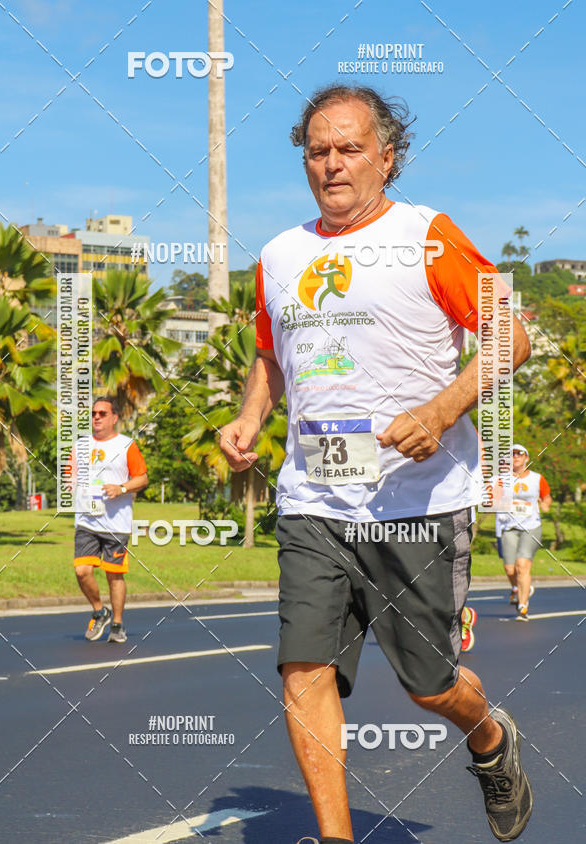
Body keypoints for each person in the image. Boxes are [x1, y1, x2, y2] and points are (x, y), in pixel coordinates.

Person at [220, 84, 533, 843]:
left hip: (418, 503)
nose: (332, 164)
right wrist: (249, 415)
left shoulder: (427, 235)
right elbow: (271, 354)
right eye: (317, 150)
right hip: (314, 503)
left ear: (386, 159)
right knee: (303, 669)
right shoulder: (279, 254)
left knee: (428, 686)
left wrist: (441, 410)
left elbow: (511, 334)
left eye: (349, 147)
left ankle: (489, 736)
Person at [73, 396, 148, 642]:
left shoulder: (126, 446)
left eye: (102, 413)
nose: (96, 417)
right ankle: (99, 611)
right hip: (87, 520)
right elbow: (70, 474)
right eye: (94, 413)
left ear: (114, 417)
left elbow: (143, 479)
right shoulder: (80, 445)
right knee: (82, 571)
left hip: (116, 523)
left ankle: (117, 624)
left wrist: (122, 488)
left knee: (114, 575)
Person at [496, 444, 551, 620]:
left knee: (522, 565)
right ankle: (517, 587)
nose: (516, 457)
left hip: (531, 527)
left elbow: (546, 496)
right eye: (512, 454)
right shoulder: (501, 479)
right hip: (509, 527)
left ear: (526, 458)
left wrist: (545, 504)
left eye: (519, 454)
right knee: (509, 568)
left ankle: (523, 605)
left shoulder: (537, 478)